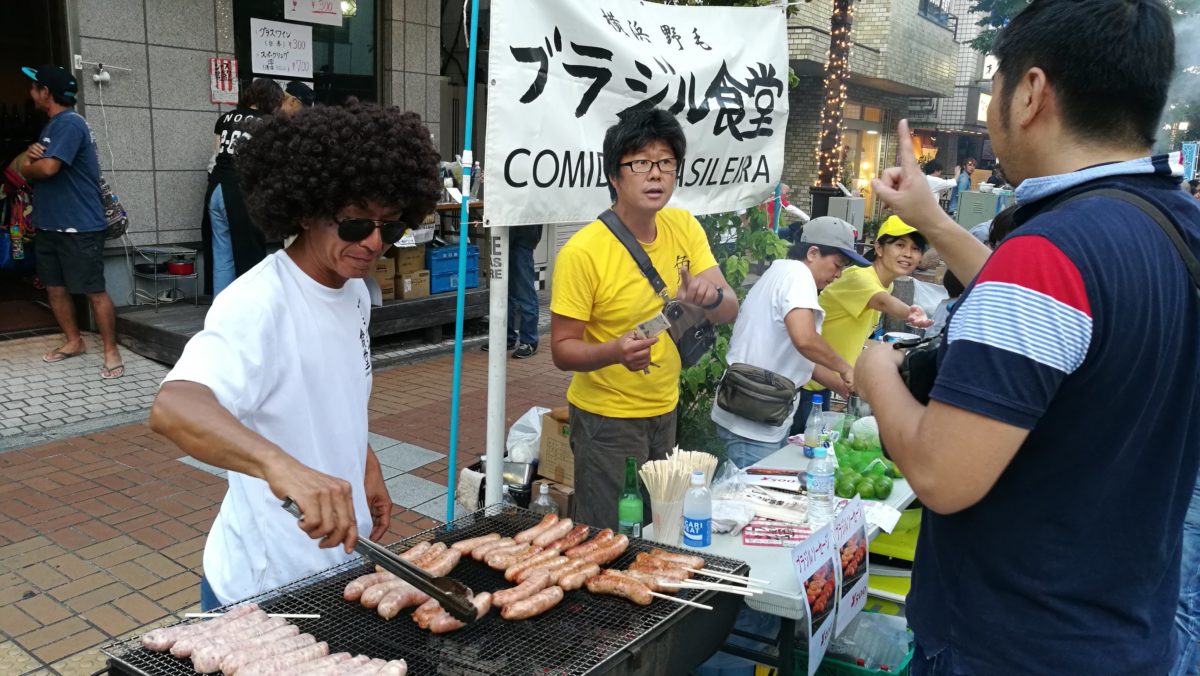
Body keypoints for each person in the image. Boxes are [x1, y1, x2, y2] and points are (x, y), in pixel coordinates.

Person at [855, 0, 1200, 671]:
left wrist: (874, 369)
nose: (990, 109)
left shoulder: (1047, 255)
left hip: (1010, 643)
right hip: (1127, 631)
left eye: (993, 87)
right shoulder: (1176, 228)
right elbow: (1074, 329)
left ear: (1031, 92)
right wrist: (933, 220)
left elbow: (940, 474)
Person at [149, 100, 442, 609]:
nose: (374, 242)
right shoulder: (257, 302)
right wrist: (282, 467)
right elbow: (174, 407)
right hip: (262, 582)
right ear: (307, 211)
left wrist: (364, 462)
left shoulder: (353, 291)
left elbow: (329, 397)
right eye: (355, 224)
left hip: (333, 564)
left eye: (390, 227)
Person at [550, 109, 738, 529]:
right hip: (606, 420)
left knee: (659, 526)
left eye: (666, 163)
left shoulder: (684, 227)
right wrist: (615, 352)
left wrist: (709, 297)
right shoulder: (583, 252)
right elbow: (562, 350)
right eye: (640, 163)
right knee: (608, 534)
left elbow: (730, 309)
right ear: (615, 177)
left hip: (664, 411)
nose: (655, 175)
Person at [711, 216, 867, 469]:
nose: (838, 275)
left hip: (759, 414)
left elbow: (796, 352)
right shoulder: (799, 276)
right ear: (813, 253)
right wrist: (844, 367)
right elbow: (805, 340)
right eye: (837, 265)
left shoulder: (781, 270)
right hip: (753, 423)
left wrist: (839, 384)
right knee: (751, 499)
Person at [14, 65, 124, 379]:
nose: (31, 92)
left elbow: (46, 169)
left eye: (35, 87)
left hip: (80, 225)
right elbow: (27, 162)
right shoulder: (52, 125)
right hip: (50, 223)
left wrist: (28, 164)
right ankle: (74, 341)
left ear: (46, 92)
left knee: (94, 290)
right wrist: (28, 159)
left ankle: (111, 351)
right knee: (55, 288)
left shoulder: (69, 124)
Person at [789, 216, 933, 433]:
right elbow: (882, 301)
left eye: (915, 248)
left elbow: (858, 336)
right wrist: (910, 312)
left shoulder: (886, 285)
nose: (908, 254)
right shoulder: (858, 277)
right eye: (900, 245)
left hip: (824, 381)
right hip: (804, 382)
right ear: (879, 247)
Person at [203, 78, 284, 297]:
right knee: (250, 252)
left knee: (222, 253)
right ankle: (249, 305)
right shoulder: (268, 123)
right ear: (269, 99)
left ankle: (221, 308)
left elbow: (215, 157)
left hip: (216, 188)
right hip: (242, 192)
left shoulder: (225, 118)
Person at [483, 224, 543, 358]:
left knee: (524, 292)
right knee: (504, 292)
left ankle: (529, 341)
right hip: (504, 237)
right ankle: (506, 338)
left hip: (522, 239)